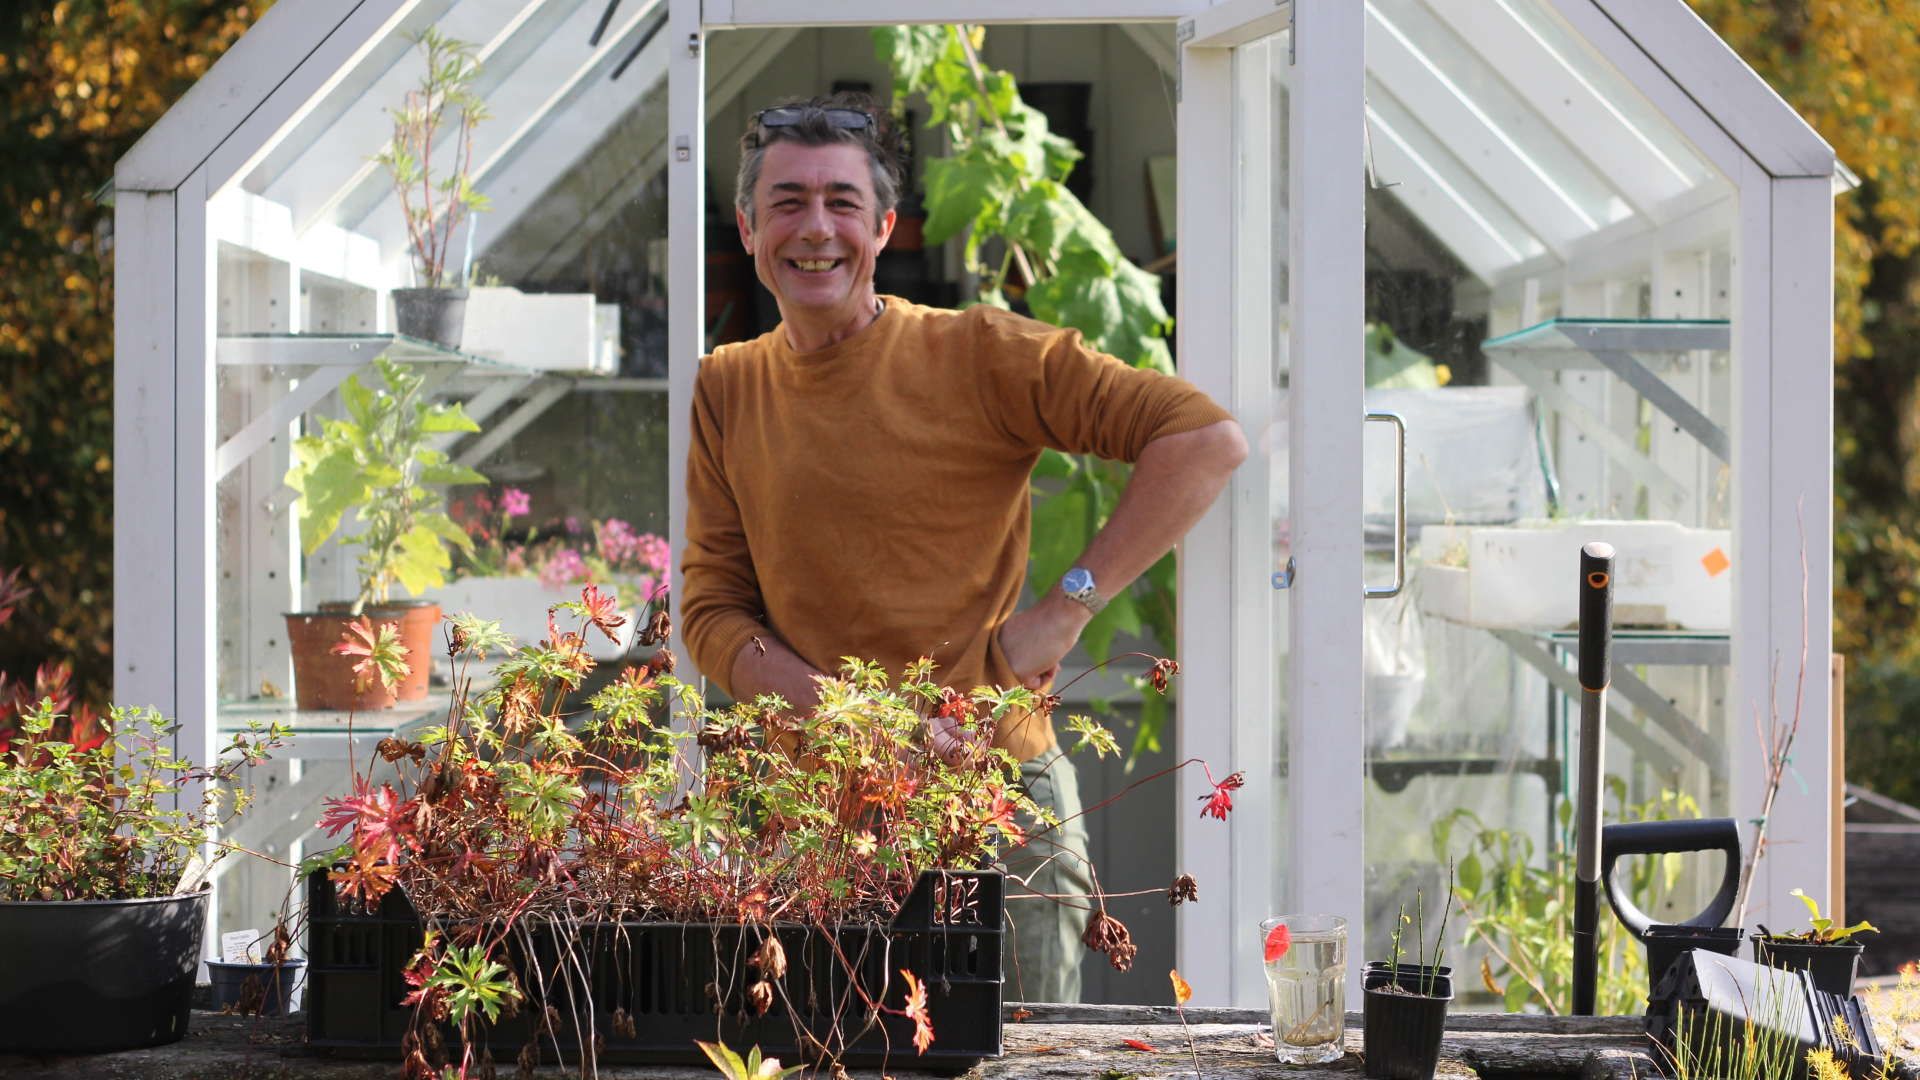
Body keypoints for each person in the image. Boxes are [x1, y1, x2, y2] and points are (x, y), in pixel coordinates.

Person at [680, 93, 1247, 1004]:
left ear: (884, 227)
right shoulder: (727, 386)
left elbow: (1203, 439)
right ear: (748, 229)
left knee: (1020, 1053)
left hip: (992, 795)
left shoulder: (979, 354)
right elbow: (711, 607)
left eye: (842, 202)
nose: (815, 228)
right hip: (812, 811)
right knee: (829, 1055)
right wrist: (851, 720)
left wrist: (1067, 608)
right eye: (787, 202)